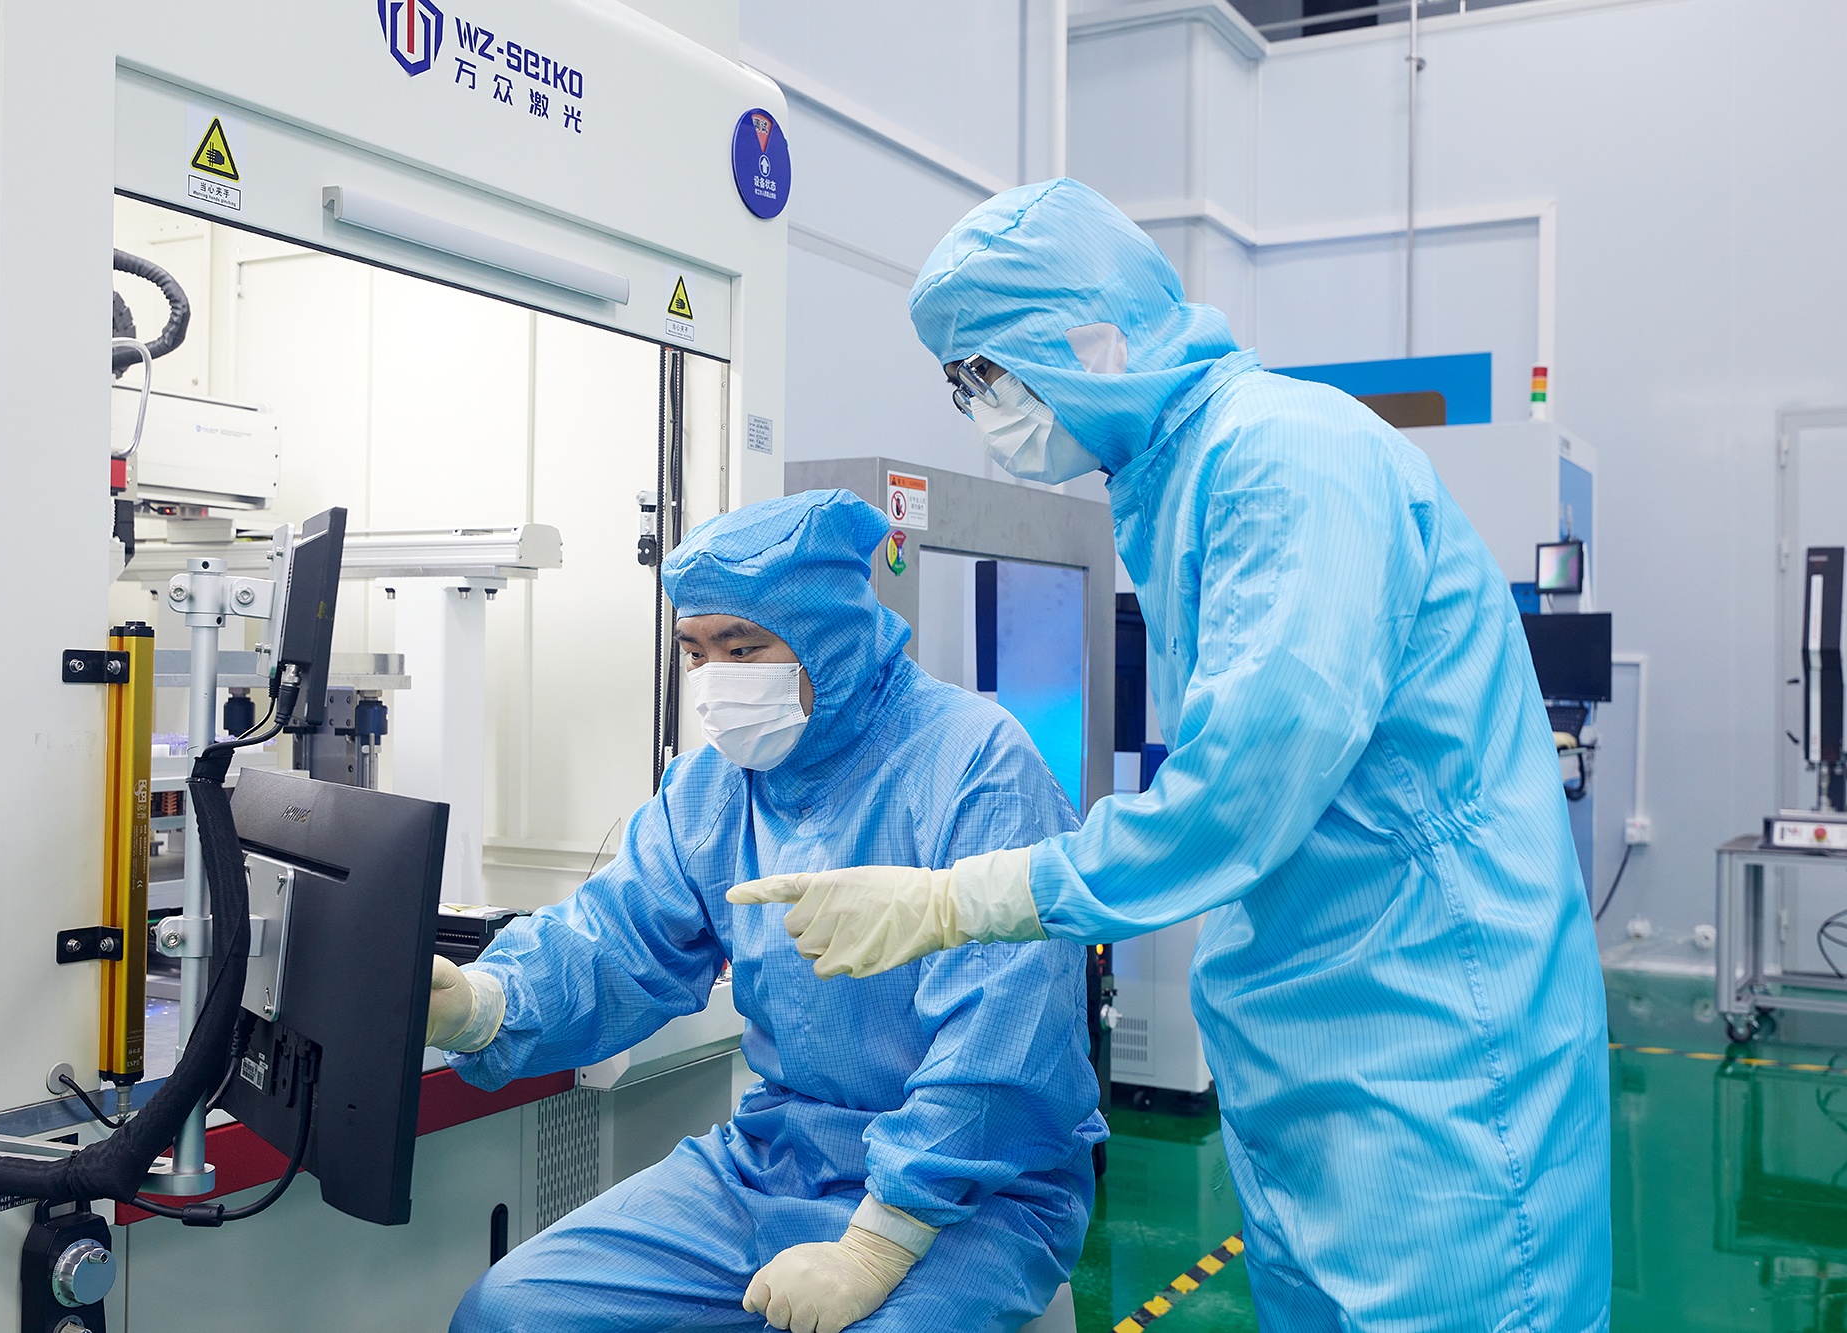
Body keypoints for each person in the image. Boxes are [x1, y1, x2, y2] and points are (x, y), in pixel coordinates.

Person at [730, 181, 1611, 1331]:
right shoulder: (1170, 484)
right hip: (1320, 1036)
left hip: (1437, 1041)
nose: (977, 408)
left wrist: (958, 899)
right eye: (957, 384)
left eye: (983, 372)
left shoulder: (1284, 460)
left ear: (1087, 335)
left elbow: (1238, 791)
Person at [427, 488, 1105, 1333]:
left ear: (827, 636)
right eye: (696, 652)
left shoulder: (977, 764)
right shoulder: (716, 786)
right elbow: (616, 938)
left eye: (743, 647)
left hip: (976, 1191)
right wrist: (484, 1003)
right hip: (776, 1159)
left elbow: (1003, 1044)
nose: (716, 680)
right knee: (511, 1311)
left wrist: (876, 1246)